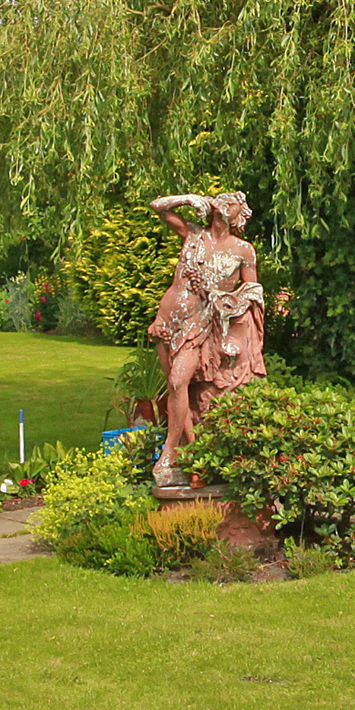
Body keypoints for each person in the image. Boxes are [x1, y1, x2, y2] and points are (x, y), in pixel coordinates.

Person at [147, 192, 267, 488]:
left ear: (239, 216)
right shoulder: (193, 235)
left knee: (178, 382)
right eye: (221, 202)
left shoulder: (243, 250)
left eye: (231, 205)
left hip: (200, 322)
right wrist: (188, 198)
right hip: (167, 321)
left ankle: (169, 453)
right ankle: (195, 457)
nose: (224, 206)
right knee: (179, 392)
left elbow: (252, 291)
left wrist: (223, 299)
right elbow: (157, 207)